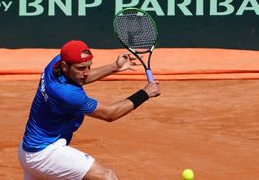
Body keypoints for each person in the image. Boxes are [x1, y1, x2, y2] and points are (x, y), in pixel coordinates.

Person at [18, 40, 160, 180]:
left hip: (28, 150)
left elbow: (80, 78)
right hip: (44, 154)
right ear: (65, 65)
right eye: (81, 68)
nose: (86, 73)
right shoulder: (66, 94)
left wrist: (115, 67)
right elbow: (110, 114)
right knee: (106, 176)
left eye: (88, 67)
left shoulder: (56, 64)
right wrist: (145, 93)